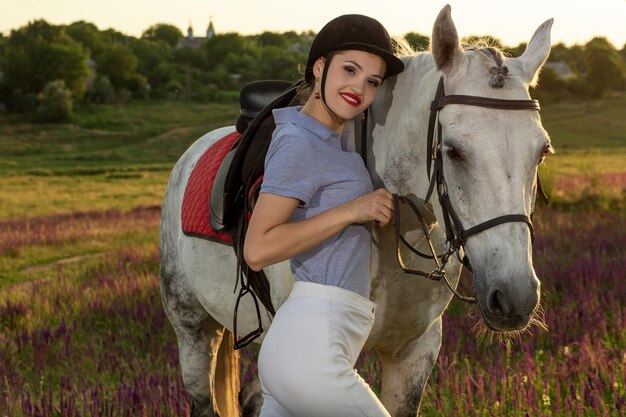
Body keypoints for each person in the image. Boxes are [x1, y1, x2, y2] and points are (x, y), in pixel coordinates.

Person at [243, 14, 404, 417]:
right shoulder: (299, 143)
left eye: (372, 81)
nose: (359, 88)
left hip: (306, 347)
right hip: (310, 352)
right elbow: (258, 249)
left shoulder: (331, 139)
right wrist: (352, 210)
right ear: (320, 67)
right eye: (349, 69)